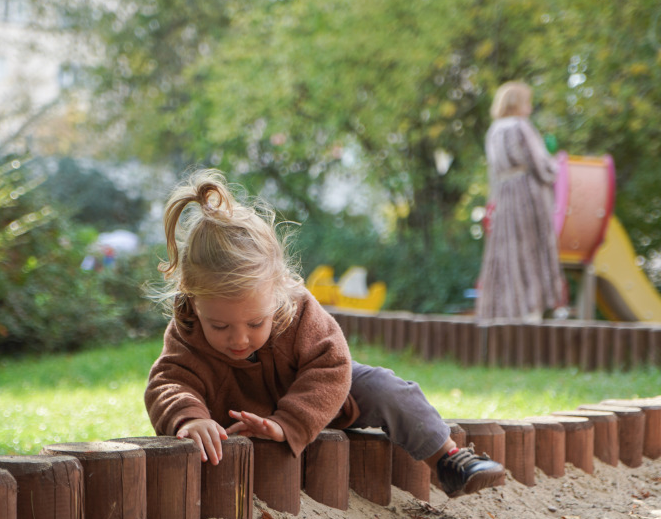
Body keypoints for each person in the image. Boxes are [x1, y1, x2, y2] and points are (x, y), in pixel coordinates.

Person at [144, 169, 504, 499]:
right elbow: (168, 381)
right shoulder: (187, 328)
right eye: (219, 326)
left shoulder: (297, 310)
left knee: (387, 387)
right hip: (242, 415)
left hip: (319, 398)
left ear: (278, 291)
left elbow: (332, 365)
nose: (239, 339)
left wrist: (288, 423)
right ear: (193, 303)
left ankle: (449, 461)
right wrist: (190, 417)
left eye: (256, 324)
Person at [476, 80, 565, 321]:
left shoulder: (494, 130)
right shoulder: (520, 126)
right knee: (532, 247)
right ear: (517, 103)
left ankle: (504, 309)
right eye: (527, 101)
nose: (530, 107)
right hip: (527, 196)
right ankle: (532, 307)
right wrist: (556, 168)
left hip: (505, 196)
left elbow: (493, 173)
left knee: (506, 250)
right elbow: (539, 163)